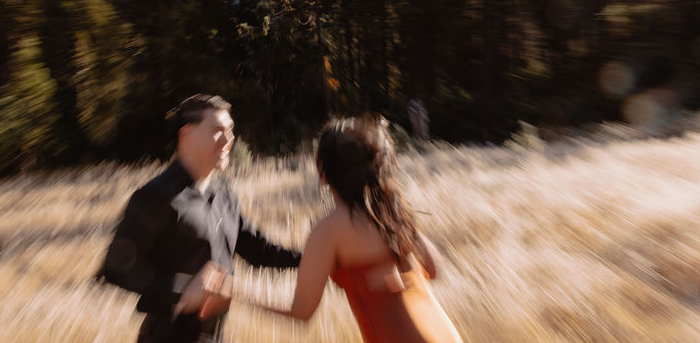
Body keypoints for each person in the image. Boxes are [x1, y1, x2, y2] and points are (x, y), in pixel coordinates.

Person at [95, 94, 301, 342]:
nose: (228, 140)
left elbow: (258, 250)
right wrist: (182, 288)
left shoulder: (223, 193)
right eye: (217, 130)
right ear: (186, 135)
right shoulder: (156, 196)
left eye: (230, 131)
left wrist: (314, 257)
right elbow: (114, 269)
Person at [251, 117, 463, 342]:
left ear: (322, 169)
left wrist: (236, 295)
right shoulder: (392, 213)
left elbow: (302, 312)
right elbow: (434, 269)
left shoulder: (329, 229)